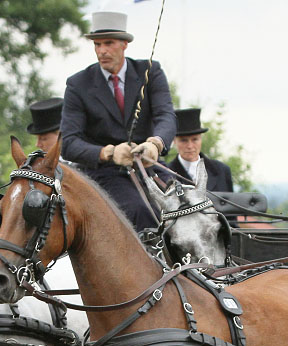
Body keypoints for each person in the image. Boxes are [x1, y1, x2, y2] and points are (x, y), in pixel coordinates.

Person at [60, 11, 177, 231]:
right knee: (140, 210)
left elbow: (166, 116)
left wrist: (155, 144)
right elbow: (69, 143)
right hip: (103, 174)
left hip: (147, 166)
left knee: (188, 203)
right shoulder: (78, 84)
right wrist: (109, 152)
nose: (102, 51)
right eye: (97, 44)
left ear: (124, 44)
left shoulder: (150, 72)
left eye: (108, 43)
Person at [164, 108, 233, 192]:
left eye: (195, 139)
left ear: (201, 139)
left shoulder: (222, 171)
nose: (190, 146)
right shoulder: (166, 174)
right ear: (174, 141)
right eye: (184, 140)